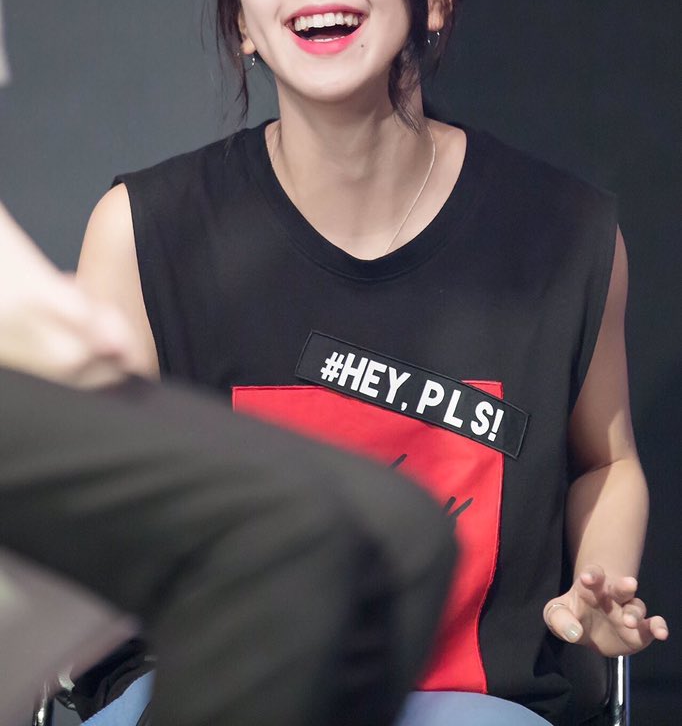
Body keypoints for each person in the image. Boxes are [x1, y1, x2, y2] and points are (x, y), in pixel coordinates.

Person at [77, 0, 668, 724]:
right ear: (240, 20)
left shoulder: (564, 234)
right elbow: (74, 499)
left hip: (468, 703)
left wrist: (595, 589)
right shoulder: (143, 232)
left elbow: (607, 461)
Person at [0, 46, 458, 723]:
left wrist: (32, 294)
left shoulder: (553, 222)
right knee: (287, 535)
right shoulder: (151, 215)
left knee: (401, 536)